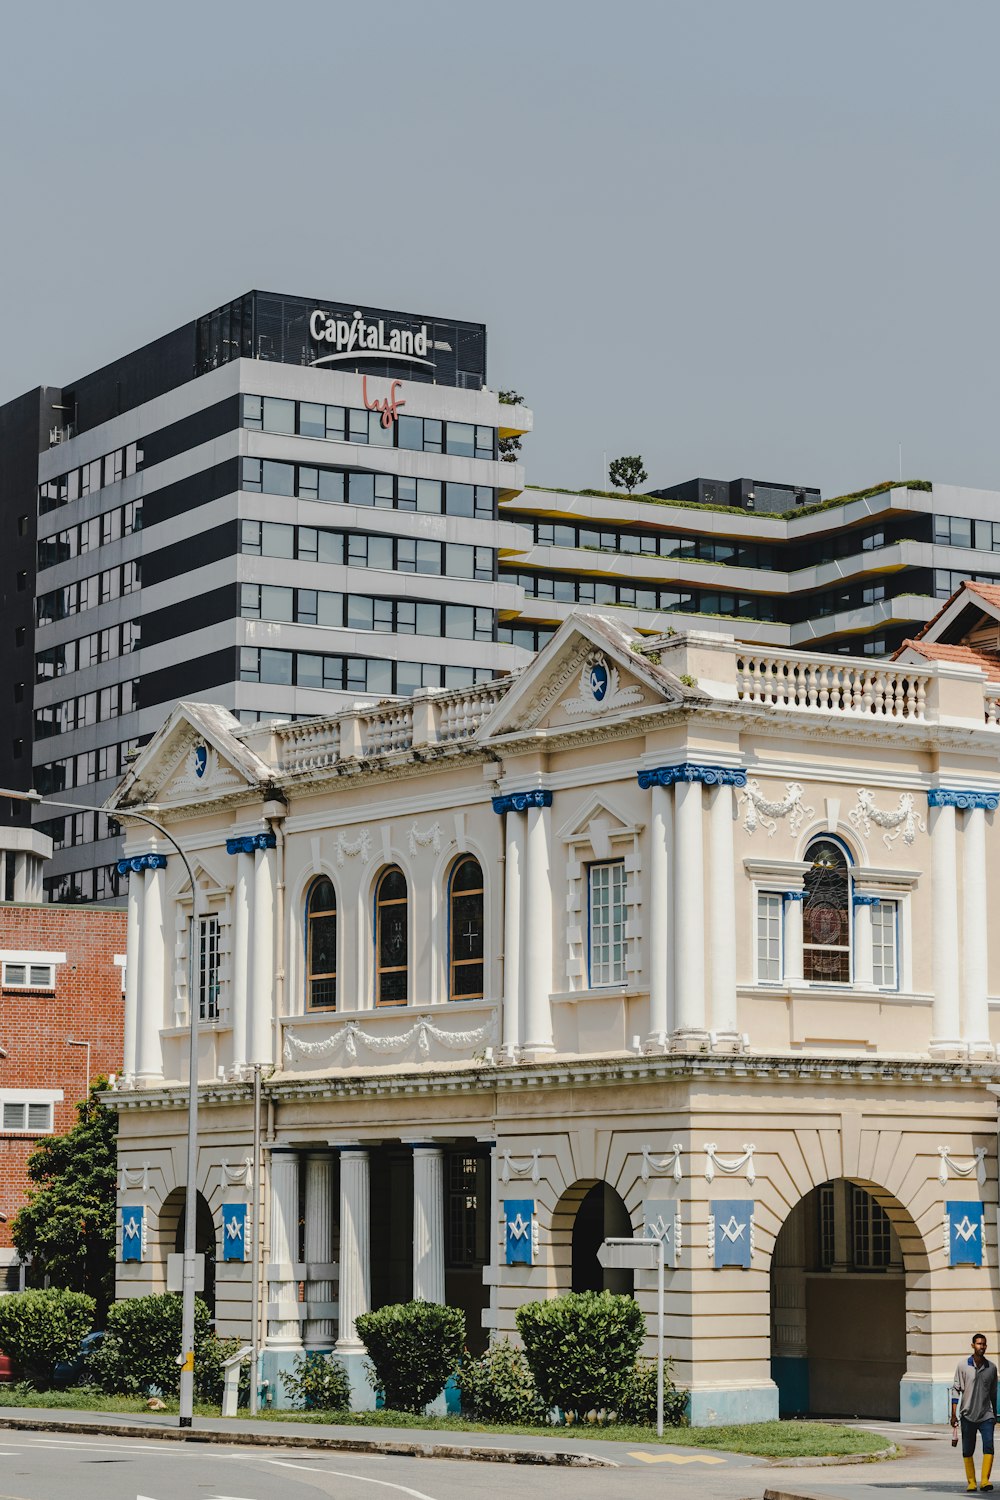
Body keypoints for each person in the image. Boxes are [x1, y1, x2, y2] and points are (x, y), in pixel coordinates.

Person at [953, 1333, 998, 1491]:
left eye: (984, 1344)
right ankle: (971, 1482)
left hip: (986, 1415)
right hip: (967, 1414)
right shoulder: (963, 1366)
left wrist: (995, 1414)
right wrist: (953, 1415)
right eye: (979, 1344)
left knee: (989, 1446)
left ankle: (985, 1480)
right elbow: (956, 1390)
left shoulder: (991, 1368)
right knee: (967, 1449)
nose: (982, 1347)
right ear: (973, 1345)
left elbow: (993, 1393)